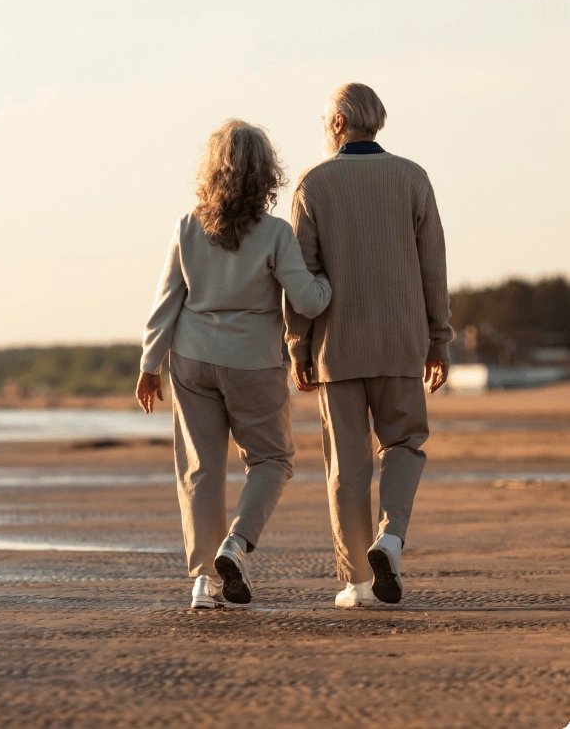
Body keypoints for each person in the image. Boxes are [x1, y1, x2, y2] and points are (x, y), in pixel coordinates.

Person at [136, 120, 332, 609]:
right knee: (272, 460)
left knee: (200, 471)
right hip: (253, 363)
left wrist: (149, 364)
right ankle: (236, 544)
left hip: (192, 358)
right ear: (266, 173)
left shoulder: (187, 226)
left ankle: (203, 581)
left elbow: (166, 303)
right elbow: (307, 302)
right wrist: (328, 281)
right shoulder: (275, 234)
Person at [284, 83, 453, 608]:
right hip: (401, 341)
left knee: (347, 467)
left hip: (338, 347)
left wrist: (299, 349)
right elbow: (433, 267)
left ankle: (357, 582)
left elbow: (301, 278)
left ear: (337, 124)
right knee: (404, 445)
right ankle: (391, 539)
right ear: (375, 121)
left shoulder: (312, 184)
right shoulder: (413, 178)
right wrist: (439, 340)